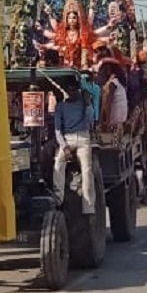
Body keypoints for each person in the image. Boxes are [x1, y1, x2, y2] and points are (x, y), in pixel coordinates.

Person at [53, 82, 95, 215]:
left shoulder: (83, 103)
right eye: (69, 90)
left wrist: (88, 105)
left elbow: (90, 121)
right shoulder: (60, 107)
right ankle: (58, 199)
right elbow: (58, 131)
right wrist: (64, 147)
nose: (72, 92)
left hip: (83, 138)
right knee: (58, 165)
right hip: (67, 139)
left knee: (87, 171)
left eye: (74, 90)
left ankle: (88, 207)